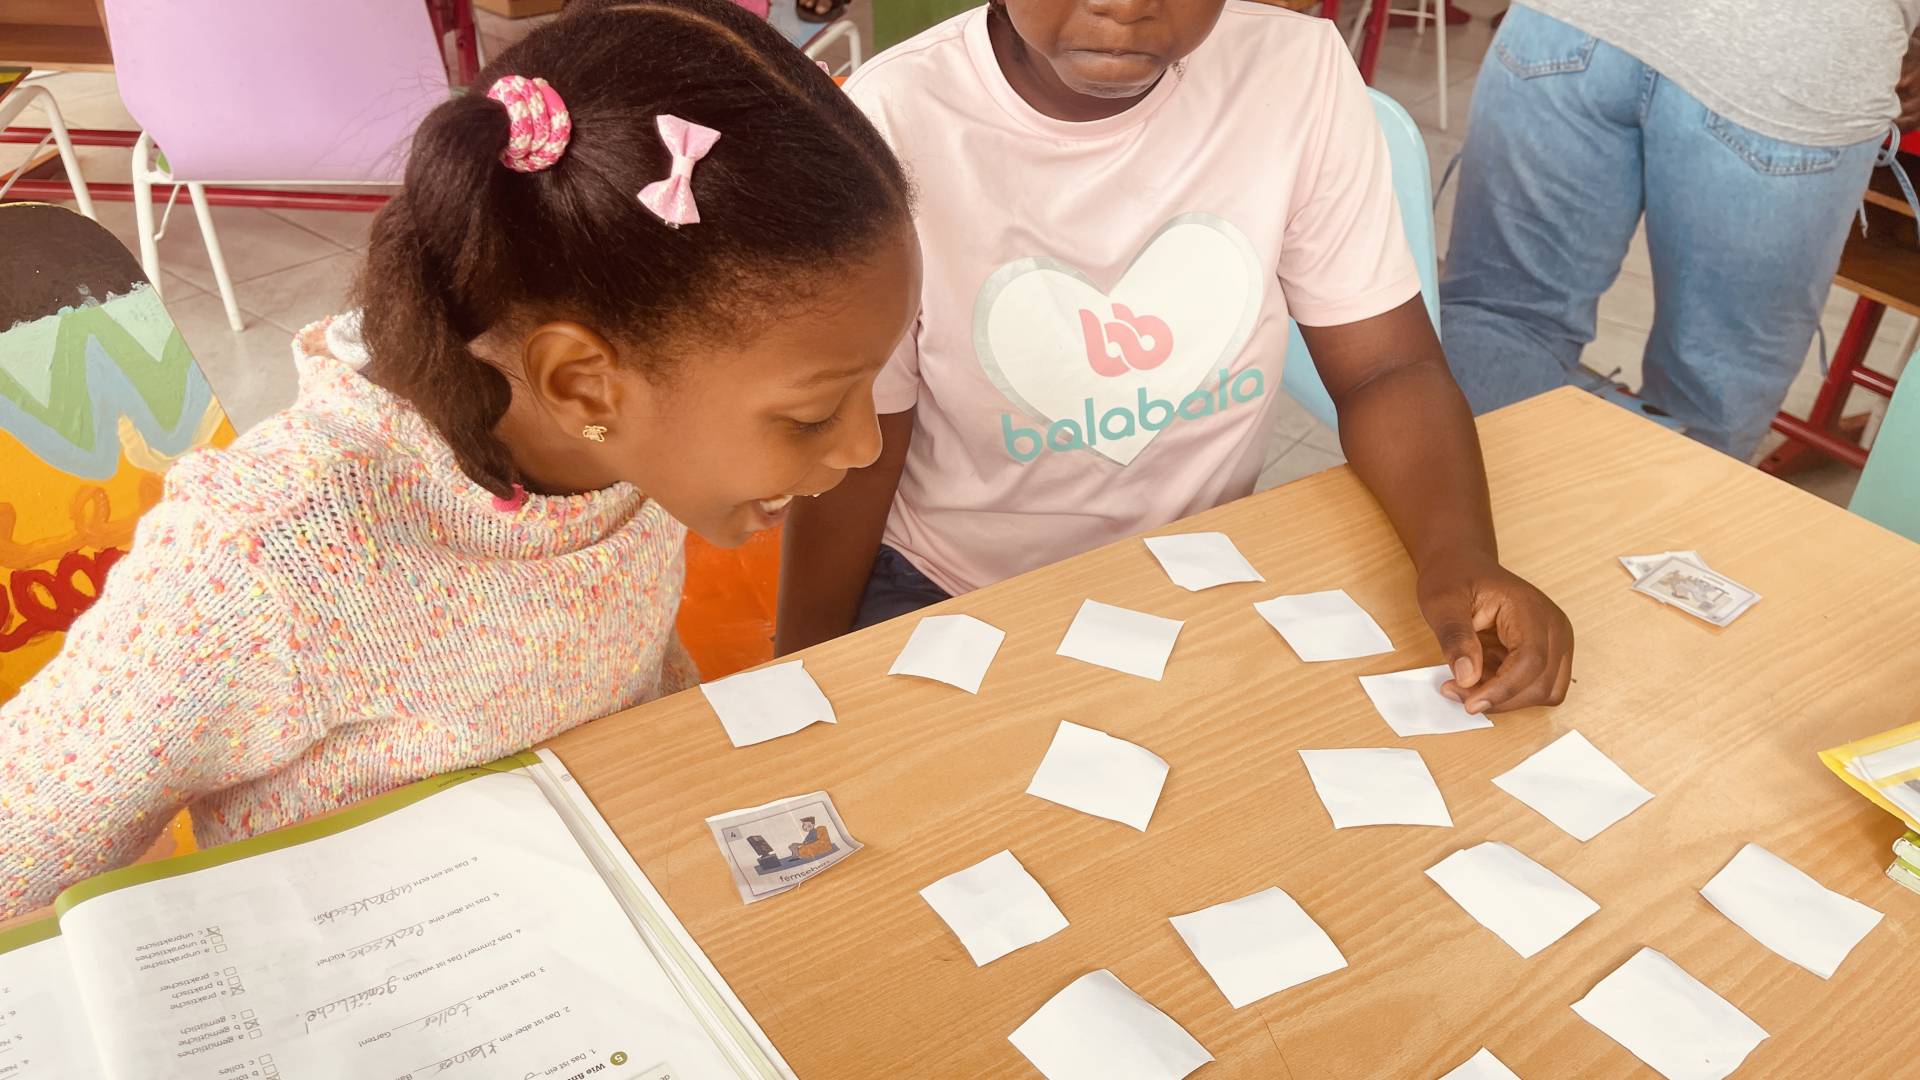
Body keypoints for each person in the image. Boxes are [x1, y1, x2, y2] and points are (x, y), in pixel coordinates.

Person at [0, 0, 917, 917]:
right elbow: (24, 838)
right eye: (811, 414)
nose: (865, 446)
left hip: (616, 893)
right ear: (583, 385)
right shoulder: (265, 557)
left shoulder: (624, 447)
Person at [778, 1, 1574, 716]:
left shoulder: (1297, 75)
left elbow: (1385, 369)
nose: (1125, 5)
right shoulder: (892, 119)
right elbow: (857, 449)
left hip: (1202, 574)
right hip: (952, 591)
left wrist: (1459, 555)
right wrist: (799, 670)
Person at [1441, 1, 1920, 459]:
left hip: (1571, 22)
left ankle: (1450, 512)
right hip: (1794, 54)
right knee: (1711, 391)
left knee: (1502, 319)